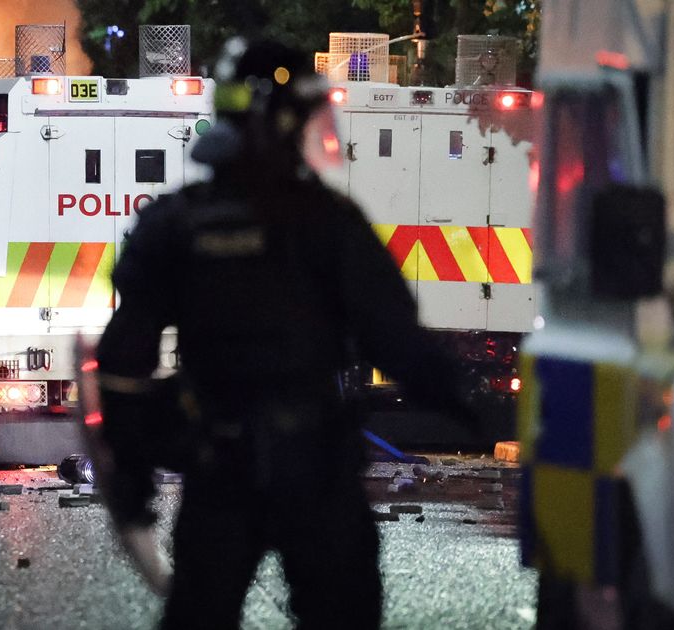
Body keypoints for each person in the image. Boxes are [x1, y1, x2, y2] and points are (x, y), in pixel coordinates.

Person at [95, 38, 479, 629]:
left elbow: (124, 362)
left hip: (217, 468)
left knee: (199, 615)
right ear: (280, 119)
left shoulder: (174, 225)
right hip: (316, 470)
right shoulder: (327, 223)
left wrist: (131, 473)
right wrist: (465, 400)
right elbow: (395, 339)